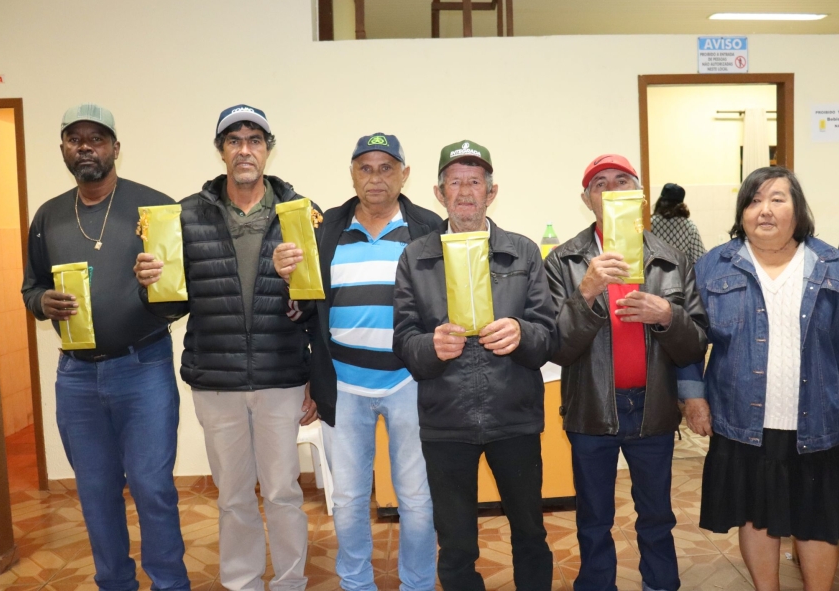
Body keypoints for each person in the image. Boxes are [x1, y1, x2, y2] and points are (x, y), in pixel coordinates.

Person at [683, 166, 839, 591]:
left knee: (818, 522)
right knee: (755, 517)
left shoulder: (833, 265)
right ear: (742, 213)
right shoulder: (713, 266)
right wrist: (693, 396)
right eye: (753, 200)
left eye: (777, 199)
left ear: (797, 210)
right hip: (742, 423)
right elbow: (687, 337)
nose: (764, 210)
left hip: (821, 420)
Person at [134, 105, 317, 591]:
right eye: (234, 140)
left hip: (281, 376)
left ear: (267, 149)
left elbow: (316, 305)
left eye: (254, 140)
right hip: (216, 381)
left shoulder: (299, 213)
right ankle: (242, 582)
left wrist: (297, 299)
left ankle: (291, 583)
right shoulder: (186, 216)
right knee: (234, 496)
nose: (244, 150)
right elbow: (169, 307)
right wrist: (149, 285)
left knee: (282, 492)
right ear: (221, 151)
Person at [22, 103, 190, 590]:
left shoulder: (154, 207)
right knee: (96, 493)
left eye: (96, 138)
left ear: (115, 147)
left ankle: (170, 584)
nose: (85, 147)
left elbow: (181, 299)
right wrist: (41, 302)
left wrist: (155, 286)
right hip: (75, 377)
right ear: (63, 149)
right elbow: (31, 286)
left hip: (143, 368)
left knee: (152, 488)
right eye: (75, 139)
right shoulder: (48, 216)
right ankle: (114, 583)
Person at [273, 133, 440, 591]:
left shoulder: (428, 228)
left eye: (386, 168)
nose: (375, 177)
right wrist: (287, 283)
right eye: (365, 168)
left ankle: (417, 584)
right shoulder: (324, 229)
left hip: (410, 383)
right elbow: (305, 312)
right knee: (347, 498)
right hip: (343, 385)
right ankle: (356, 584)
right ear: (352, 174)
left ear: (405, 174)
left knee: (417, 498)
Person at [392, 140, 556, 591]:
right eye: (454, 182)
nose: (465, 191)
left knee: (530, 533)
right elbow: (404, 340)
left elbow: (547, 336)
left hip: (514, 416)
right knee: (456, 543)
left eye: (475, 182)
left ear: (491, 191)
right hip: (446, 421)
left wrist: (521, 334)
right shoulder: (415, 257)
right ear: (438, 193)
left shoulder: (523, 252)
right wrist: (431, 346)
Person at [543, 154, 708, 591]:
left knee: (656, 514)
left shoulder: (671, 259)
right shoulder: (564, 261)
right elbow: (557, 346)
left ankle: (661, 583)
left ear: (640, 197)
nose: (612, 190)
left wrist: (667, 316)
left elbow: (695, 344)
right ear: (587, 199)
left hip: (653, 408)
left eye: (622, 181)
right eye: (600, 184)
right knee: (593, 516)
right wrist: (586, 292)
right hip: (590, 409)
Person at [650, 182, 706, 264]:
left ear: (660, 201)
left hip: (654, 271)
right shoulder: (689, 227)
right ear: (681, 205)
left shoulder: (650, 223)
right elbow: (700, 258)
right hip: (681, 271)